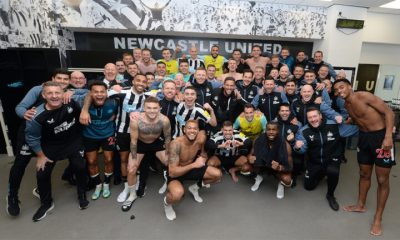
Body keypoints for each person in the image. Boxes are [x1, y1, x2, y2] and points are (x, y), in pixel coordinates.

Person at [6, 69, 86, 217]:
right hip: (30, 130)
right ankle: (12, 197)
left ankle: (68, 178)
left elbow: (87, 93)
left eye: (65, 79)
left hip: (51, 135)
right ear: (51, 79)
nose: (62, 82)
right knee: (21, 164)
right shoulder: (38, 90)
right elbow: (20, 107)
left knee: (76, 157)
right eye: (59, 78)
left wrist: (72, 93)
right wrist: (26, 114)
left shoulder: (68, 94)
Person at [333, 79, 395, 236]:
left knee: (382, 180)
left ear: (349, 86)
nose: (339, 91)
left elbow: (389, 112)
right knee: (364, 173)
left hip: (381, 138)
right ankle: (360, 205)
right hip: (364, 139)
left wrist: (388, 136)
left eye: (341, 87)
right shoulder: (346, 105)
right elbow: (360, 118)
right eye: (336, 90)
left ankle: (378, 218)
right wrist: (350, 120)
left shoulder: (365, 96)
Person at [25, 81, 89, 222]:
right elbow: (32, 138)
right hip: (51, 146)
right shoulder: (36, 116)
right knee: (42, 173)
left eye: (57, 92)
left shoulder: (71, 103)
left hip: (72, 141)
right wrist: (40, 155)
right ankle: (46, 203)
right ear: (43, 95)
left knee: (80, 166)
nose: (54, 96)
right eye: (50, 93)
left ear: (62, 93)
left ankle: (82, 194)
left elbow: (80, 117)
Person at [294, 107, 357, 211]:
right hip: (315, 162)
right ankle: (322, 173)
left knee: (333, 171)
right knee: (308, 187)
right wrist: (297, 147)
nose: (313, 119)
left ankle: (330, 195)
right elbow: (302, 150)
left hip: (332, 159)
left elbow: (355, 131)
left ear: (320, 116)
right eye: (310, 117)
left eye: (315, 116)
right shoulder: (304, 131)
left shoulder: (333, 125)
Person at [163, 120, 222, 220]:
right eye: (189, 128)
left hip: (191, 168)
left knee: (217, 175)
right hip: (177, 173)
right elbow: (172, 173)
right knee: (177, 194)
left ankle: (194, 188)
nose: (192, 131)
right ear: (184, 130)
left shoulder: (200, 139)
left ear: (198, 130)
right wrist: (194, 164)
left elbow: (203, 152)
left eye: (195, 128)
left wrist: (203, 156)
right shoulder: (176, 144)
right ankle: (166, 204)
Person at [121, 97, 171, 211]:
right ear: (144, 108)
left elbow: (167, 138)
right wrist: (133, 160)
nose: (152, 111)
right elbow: (133, 141)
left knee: (170, 162)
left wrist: (168, 154)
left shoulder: (164, 120)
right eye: (149, 108)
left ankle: (170, 183)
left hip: (156, 142)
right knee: (131, 169)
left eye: (155, 108)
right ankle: (132, 195)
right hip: (140, 143)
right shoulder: (136, 120)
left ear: (159, 108)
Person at [80, 81, 118, 200]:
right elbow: (85, 96)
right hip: (89, 136)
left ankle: (106, 183)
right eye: (96, 92)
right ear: (90, 94)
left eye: (102, 92)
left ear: (106, 93)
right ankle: (97, 184)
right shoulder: (83, 102)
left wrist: (115, 116)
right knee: (91, 162)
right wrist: (85, 110)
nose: (99, 94)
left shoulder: (113, 102)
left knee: (109, 159)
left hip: (108, 135)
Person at [249, 122, 293, 199]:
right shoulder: (258, 140)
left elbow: (290, 167)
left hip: (276, 168)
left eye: (274, 130)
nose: (271, 132)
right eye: (269, 129)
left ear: (278, 131)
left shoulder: (286, 145)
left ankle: (281, 185)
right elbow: (250, 154)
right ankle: (258, 178)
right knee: (245, 167)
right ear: (265, 130)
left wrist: (279, 167)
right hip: (263, 164)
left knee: (287, 180)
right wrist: (250, 158)